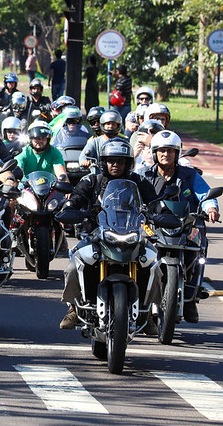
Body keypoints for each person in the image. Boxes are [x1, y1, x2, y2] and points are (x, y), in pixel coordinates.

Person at [59, 138, 159, 330]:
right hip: (95, 235)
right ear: (103, 162)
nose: (115, 164)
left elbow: (154, 203)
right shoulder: (91, 180)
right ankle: (74, 308)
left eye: (120, 161)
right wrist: (69, 207)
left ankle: (149, 313)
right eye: (111, 160)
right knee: (73, 265)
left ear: (128, 163)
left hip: (132, 235)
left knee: (154, 264)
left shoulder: (138, 182)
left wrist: (161, 213)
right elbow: (77, 198)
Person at [137, 131, 220, 323]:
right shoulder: (143, 175)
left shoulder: (189, 175)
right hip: (153, 226)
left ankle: (191, 297)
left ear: (177, 153)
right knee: (139, 252)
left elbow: (204, 193)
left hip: (185, 225)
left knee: (197, 251)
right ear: (155, 153)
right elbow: (131, 193)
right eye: (162, 151)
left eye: (170, 151)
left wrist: (211, 208)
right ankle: (138, 297)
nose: (166, 154)